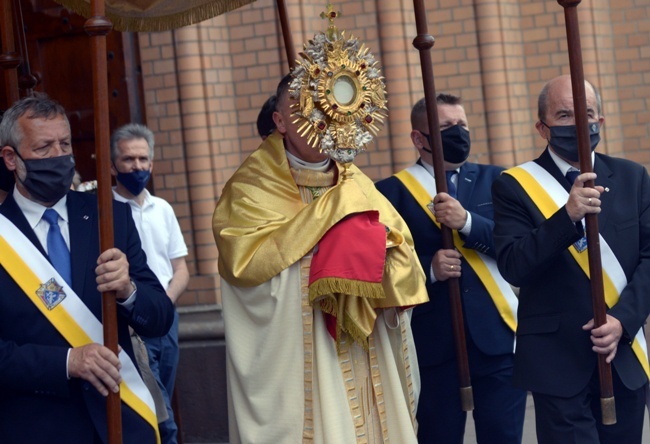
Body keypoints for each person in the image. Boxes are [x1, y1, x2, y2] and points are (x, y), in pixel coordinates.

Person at [212, 74, 429, 443]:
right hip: (304, 352)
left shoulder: (354, 181)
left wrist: (377, 261)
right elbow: (245, 268)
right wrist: (325, 255)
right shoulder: (249, 187)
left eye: (322, 106)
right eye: (302, 109)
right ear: (279, 122)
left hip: (366, 349)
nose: (317, 119)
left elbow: (401, 252)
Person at [0, 94, 175, 443]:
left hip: (120, 418)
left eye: (64, 144)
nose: (59, 156)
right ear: (10, 158)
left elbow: (160, 316)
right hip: (36, 426)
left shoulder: (109, 217)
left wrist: (128, 291)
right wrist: (67, 362)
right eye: (44, 147)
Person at [491, 74, 650, 443]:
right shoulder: (513, 185)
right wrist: (566, 218)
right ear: (542, 128)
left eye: (588, 113)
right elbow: (514, 264)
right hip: (556, 363)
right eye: (564, 115)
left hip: (621, 353)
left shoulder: (632, 177)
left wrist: (622, 322)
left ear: (601, 122)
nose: (579, 123)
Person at [376, 94, 526, 443]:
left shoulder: (498, 180)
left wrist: (468, 222)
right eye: (446, 127)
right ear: (418, 138)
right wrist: (428, 270)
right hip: (433, 343)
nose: (458, 133)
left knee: (503, 436)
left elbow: (518, 244)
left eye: (462, 125)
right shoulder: (390, 193)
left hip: (496, 338)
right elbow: (383, 267)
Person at [110, 123, 190, 444]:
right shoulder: (105, 212)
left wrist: (162, 305)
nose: (137, 166)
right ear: (113, 164)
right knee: (160, 417)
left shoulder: (163, 209)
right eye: (128, 159)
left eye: (143, 159)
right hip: (130, 326)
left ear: (152, 163)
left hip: (167, 321)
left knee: (164, 401)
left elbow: (180, 269)